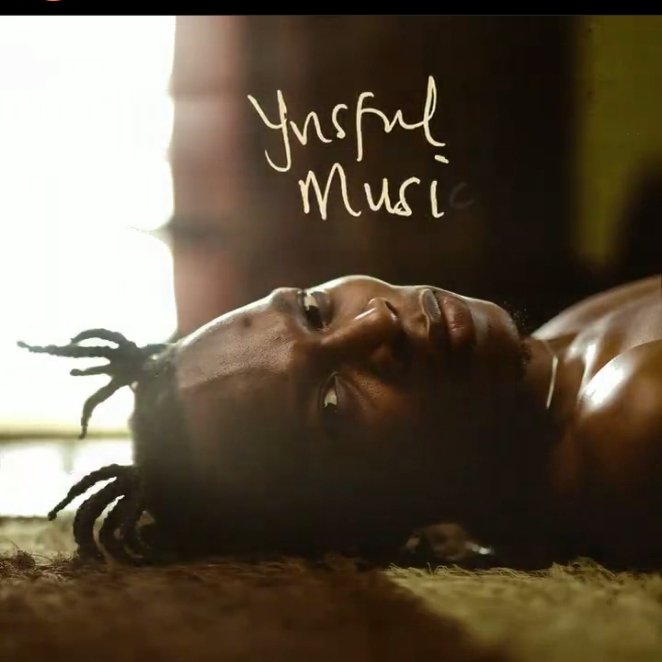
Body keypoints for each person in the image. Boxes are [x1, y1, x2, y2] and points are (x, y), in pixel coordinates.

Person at [19, 274, 662, 568]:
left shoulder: (554, 356)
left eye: (314, 310)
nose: (376, 321)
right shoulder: (629, 420)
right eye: (332, 404)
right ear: (363, 524)